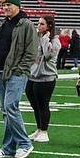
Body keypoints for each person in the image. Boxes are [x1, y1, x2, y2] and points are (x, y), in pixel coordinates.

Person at [0, 0, 40, 158]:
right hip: (0, 72)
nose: (5, 8)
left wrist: (20, 70)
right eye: (4, 5)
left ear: (18, 6)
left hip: (16, 73)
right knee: (5, 110)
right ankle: (9, 148)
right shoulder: (3, 23)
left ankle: (25, 144)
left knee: (11, 107)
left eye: (9, 5)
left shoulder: (26, 25)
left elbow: (32, 52)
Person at [27, 15, 60, 143]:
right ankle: (39, 129)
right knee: (34, 105)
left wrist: (46, 39)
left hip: (46, 77)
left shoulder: (55, 40)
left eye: (42, 24)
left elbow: (49, 55)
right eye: (38, 23)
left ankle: (44, 131)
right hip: (33, 75)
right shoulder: (36, 37)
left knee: (43, 105)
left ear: (49, 26)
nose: (38, 26)